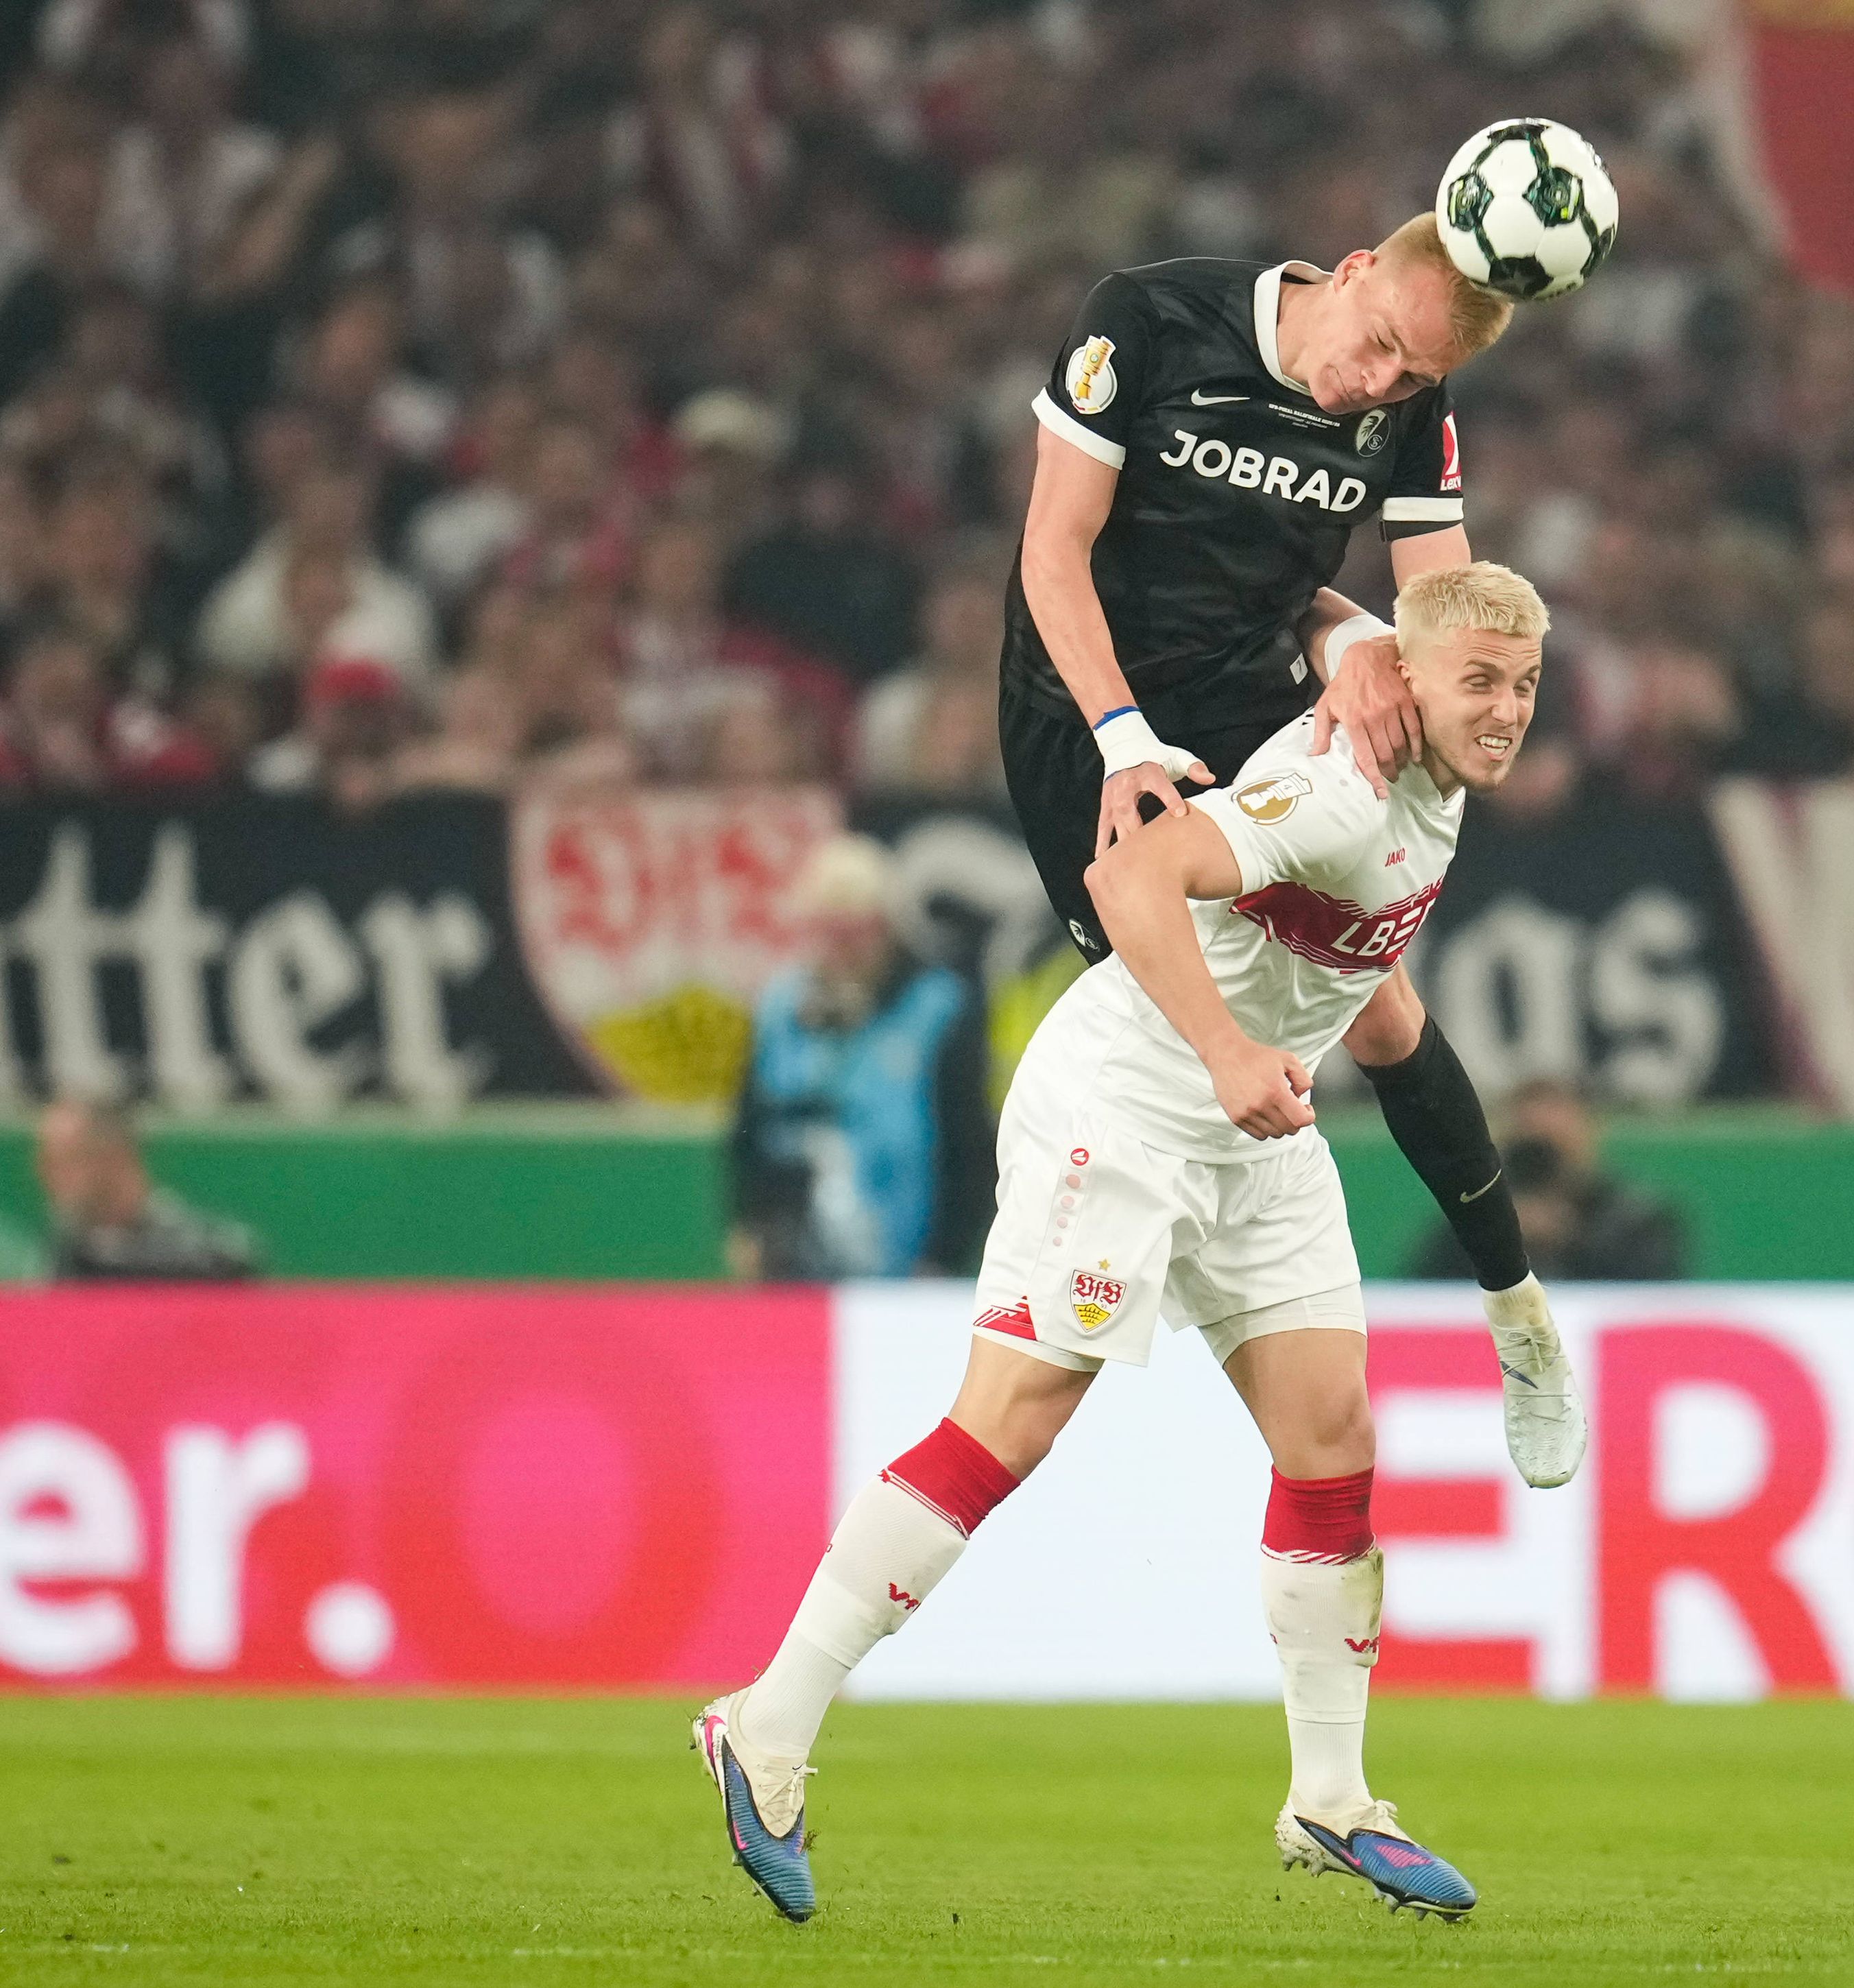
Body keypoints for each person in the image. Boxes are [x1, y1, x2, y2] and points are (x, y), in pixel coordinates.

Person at [698, 564, 1583, 1925]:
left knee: (1331, 1436)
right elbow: (1134, 872)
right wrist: (1229, 1051)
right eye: (1479, 682)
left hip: (1255, 1121)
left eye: (1523, 685)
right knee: (1010, 1425)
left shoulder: (1430, 800)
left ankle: (1330, 1799)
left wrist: (1506, 1286)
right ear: (1407, 682)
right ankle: (766, 1722)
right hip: (1131, 1097)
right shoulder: (1343, 786)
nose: (1507, 710)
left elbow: (1393, 1030)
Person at [1000, 215, 1545, 1355]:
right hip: (1083, 710)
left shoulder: (1408, 400)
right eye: (1381, 345)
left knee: (1379, 998)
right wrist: (1123, 738)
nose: (1381, 384)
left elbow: (1438, 628)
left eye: (1416, 374)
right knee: (1164, 996)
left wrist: (1370, 651)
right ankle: (1060, 1290)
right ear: (1350, 273)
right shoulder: (1148, 320)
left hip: (1251, 694)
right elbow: (1052, 551)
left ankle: (1515, 1299)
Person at [725, 834, 992, 1280]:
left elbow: (971, 1150)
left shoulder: (936, 1011)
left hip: (905, 1274)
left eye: (856, 933)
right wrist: (745, 1223)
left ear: (886, 929)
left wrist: (943, 1259)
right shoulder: (780, 1009)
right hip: (791, 1271)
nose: (840, 952)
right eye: (828, 933)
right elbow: (749, 1132)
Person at [1412, 1078, 1687, 1281]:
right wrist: (1500, 1238)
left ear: (1587, 1135)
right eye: (1530, 1149)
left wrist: (1571, 1239)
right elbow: (1435, 1298)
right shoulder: (1470, 1222)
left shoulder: (1634, 1222)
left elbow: (1650, 1298)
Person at [34, 1100, 256, 1281]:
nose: (46, 1174)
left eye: (66, 1159)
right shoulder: (65, 1256)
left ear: (114, 1156)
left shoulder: (202, 1252)